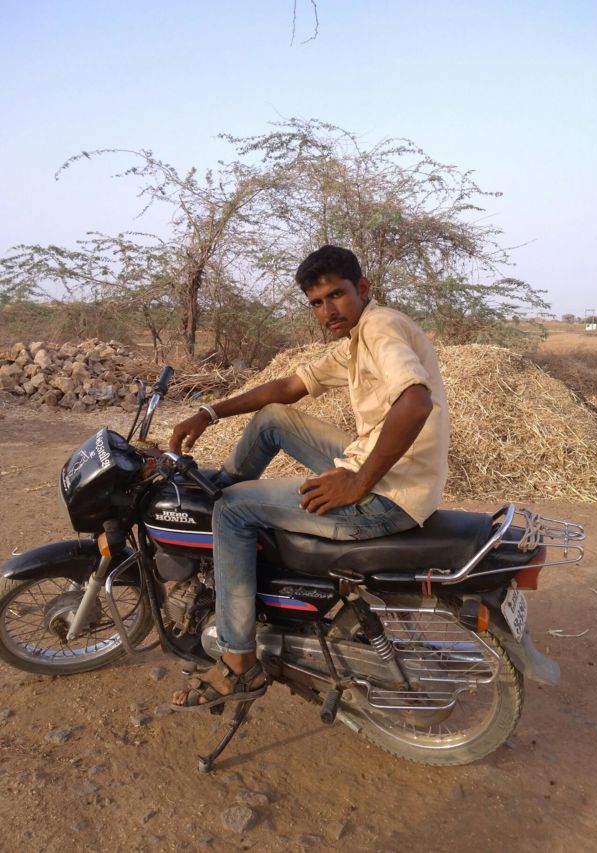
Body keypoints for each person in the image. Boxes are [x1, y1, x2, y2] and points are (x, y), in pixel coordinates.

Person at [169, 245, 449, 710]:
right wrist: (208, 412)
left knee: (231, 511)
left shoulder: (379, 328)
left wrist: (357, 482)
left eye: (336, 295)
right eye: (316, 302)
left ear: (362, 288)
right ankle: (222, 495)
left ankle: (238, 663)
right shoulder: (356, 339)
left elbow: (416, 402)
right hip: (386, 469)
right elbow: (287, 388)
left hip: (387, 493)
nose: (327, 310)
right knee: (274, 418)